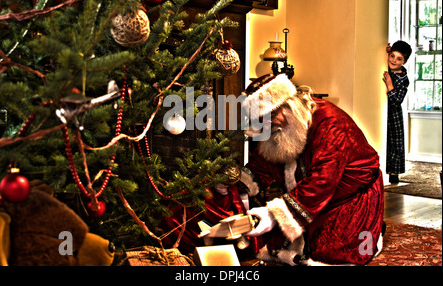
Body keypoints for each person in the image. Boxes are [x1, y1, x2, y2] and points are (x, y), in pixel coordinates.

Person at [162, 74, 384, 266]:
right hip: (309, 197)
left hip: (352, 196)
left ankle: (375, 229)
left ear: (290, 105)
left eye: (271, 116)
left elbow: (323, 182)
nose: (269, 124)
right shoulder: (282, 127)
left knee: (333, 252)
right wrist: (235, 184)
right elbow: (262, 166)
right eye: (262, 119)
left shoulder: (331, 124)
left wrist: (270, 215)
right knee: (275, 239)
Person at [382, 41, 412, 183]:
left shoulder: (403, 79)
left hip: (394, 115)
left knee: (395, 143)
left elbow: (396, 101)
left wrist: (389, 85)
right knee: (385, 140)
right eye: (392, 56)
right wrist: (385, 51)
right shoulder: (385, 66)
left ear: (404, 62)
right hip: (383, 111)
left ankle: (394, 173)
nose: (393, 60)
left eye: (399, 58)